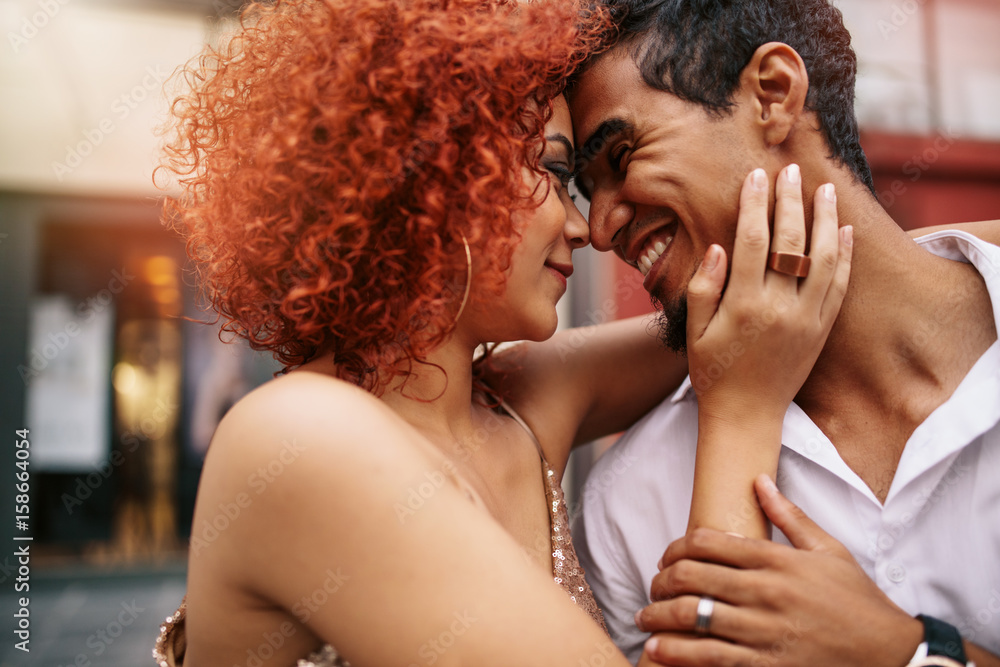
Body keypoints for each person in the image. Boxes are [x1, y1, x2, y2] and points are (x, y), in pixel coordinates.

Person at [150, 0, 854, 665]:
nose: (585, 229)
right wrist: (742, 413)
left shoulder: (519, 400)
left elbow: (755, 305)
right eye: (552, 170)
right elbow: (740, 361)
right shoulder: (300, 437)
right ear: (433, 172)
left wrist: (953, 264)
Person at [568, 0, 1000, 665]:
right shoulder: (627, 504)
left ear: (773, 94)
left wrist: (911, 652)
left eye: (622, 155)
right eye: (584, 190)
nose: (599, 231)